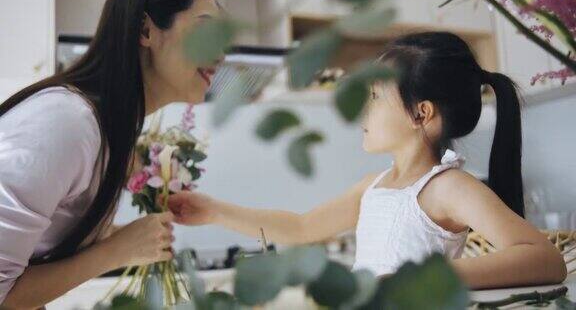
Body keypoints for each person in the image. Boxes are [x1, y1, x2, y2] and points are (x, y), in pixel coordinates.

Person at [167, 32, 567, 289]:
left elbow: (545, 259)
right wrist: (215, 212)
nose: (363, 106)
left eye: (375, 96)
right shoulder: (374, 187)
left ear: (421, 114)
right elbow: (301, 227)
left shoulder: (447, 187)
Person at [0, 0, 220, 308]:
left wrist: (118, 237)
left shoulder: (108, 132)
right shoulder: (67, 123)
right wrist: (117, 251)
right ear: (146, 29)